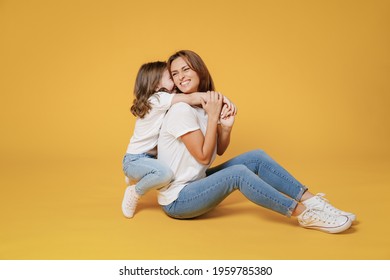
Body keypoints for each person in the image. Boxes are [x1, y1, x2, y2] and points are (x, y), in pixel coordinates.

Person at [156, 50, 356, 233]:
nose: (181, 77)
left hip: (197, 183)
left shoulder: (202, 106)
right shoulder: (181, 110)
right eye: (175, 74)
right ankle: (305, 214)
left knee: (256, 157)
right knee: (238, 174)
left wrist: (225, 127)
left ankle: (314, 203)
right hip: (179, 200)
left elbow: (220, 150)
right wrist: (214, 114)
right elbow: (203, 157)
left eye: (185, 69)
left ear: (199, 70)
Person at [122, 61, 234, 218]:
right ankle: (135, 191)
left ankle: (138, 174)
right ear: (155, 84)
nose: (175, 82)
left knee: (162, 172)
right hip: (135, 159)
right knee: (165, 175)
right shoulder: (158, 99)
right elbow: (191, 98)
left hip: (150, 158)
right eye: (170, 77)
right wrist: (221, 99)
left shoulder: (163, 103)